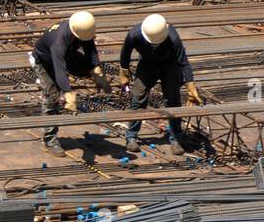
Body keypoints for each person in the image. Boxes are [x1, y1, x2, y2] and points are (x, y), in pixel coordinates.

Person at [118, 13, 200, 155]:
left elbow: (183, 62)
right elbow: (125, 53)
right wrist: (123, 72)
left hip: (169, 65)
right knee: (138, 98)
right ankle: (131, 137)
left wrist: (191, 85)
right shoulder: (135, 34)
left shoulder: (172, 37)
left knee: (173, 100)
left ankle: (176, 138)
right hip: (147, 64)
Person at [31, 10, 110, 157]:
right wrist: (67, 92)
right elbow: (60, 71)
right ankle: (50, 140)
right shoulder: (58, 42)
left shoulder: (82, 29)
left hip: (68, 54)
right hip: (45, 62)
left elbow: (91, 51)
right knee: (51, 98)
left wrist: (96, 71)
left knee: (88, 66)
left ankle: (88, 75)